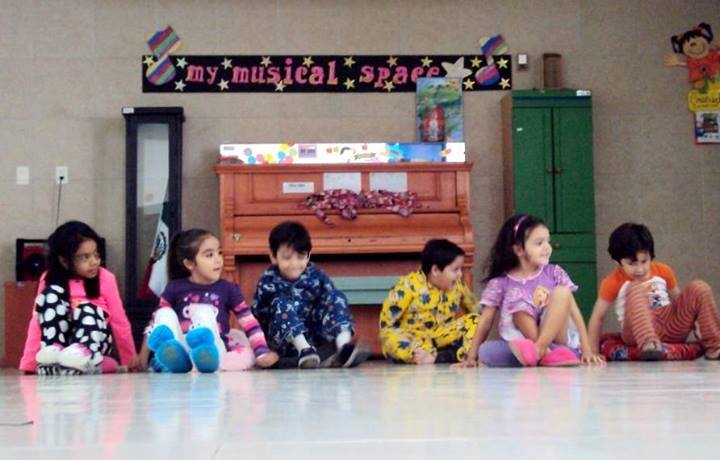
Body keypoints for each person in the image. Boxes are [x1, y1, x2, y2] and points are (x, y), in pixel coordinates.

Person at [457, 214, 604, 367]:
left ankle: (539, 350)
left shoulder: (554, 273)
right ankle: (546, 355)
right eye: (539, 243)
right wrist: (471, 357)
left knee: (562, 292)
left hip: (557, 340)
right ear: (519, 250)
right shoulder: (500, 283)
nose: (547, 247)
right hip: (521, 344)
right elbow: (485, 322)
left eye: (548, 241)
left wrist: (587, 350)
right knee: (487, 349)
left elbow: (574, 313)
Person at [142, 229, 278, 373]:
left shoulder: (228, 289)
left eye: (219, 253)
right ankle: (177, 362)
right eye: (209, 255)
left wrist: (261, 351)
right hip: (184, 349)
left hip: (214, 349)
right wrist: (143, 357)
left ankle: (205, 359)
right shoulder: (174, 288)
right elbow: (155, 324)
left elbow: (249, 323)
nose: (218, 260)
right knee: (163, 313)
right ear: (190, 264)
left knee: (203, 311)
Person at [19, 221, 139, 375]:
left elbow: (119, 321)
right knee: (50, 296)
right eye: (84, 257)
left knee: (86, 308)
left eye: (96, 254)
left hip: (93, 341)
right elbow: (37, 321)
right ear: (64, 261)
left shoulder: (105, 278)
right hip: (62, 342)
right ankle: (54, 352)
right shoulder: (48, 278)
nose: (94, 262)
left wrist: (129, 359)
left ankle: (84, 357)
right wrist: (28, 364)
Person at [587, 222, 720, 360]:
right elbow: (598, 317)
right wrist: (592, 352)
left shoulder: (663, 270)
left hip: (670, 326)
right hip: (637, 332)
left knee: (699, 287)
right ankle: (649, 345)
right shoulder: (612, 281)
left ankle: (714, 346)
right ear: (618, 262)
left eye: (644, 261)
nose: (640, 269)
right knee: (635, 286)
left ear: (651, 256)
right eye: (632, 264)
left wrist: (696, 322)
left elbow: (679, 301)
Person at [250, 221, 368, 369]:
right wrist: (263, 351)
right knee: (281, 303)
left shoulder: (315, 276)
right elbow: (257, 319)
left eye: (300, 257)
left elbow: (332, 304)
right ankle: (304, 350)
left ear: (308, 256)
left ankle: (343, 348)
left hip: (316, 339)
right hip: (284, 345)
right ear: (273, 257)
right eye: (287, 258)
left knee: (335, 296)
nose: (294, 264)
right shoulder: (267, 283)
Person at [379, 239, 480, 365]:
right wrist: (407, 344)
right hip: (414, 339)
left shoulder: (457, 285)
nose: (460, 274)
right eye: (455, 270)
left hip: (442, 336)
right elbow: (387, 324)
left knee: (476, 320)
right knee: (390, 336)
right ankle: (424, 356)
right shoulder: (407, 286)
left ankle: (457, 356)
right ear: (435, 270)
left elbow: (476, 309)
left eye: (461, 269)